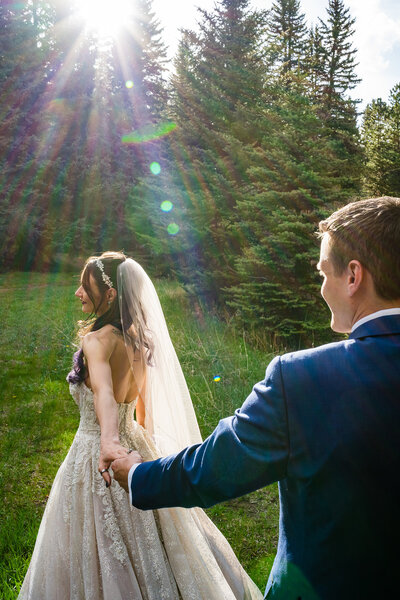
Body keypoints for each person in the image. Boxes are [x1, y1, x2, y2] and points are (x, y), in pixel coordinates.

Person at [112, 197, 400, 600]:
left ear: (354, 276)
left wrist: (138, 474)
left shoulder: (300, 378)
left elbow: (217, 465)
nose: (321, 288)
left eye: (323, 273)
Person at [18, 251, 263, 600]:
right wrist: (144, 446)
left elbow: (103, 391)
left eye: (85, 286)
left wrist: (108, 441)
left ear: (111, 294)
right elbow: (141, 405)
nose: (78, 293)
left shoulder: (96, 341)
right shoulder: (138, 339)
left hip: (99, 449)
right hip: (136, 445)